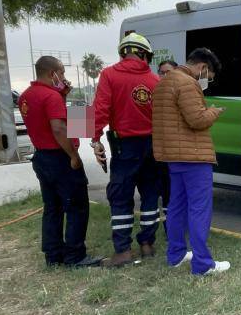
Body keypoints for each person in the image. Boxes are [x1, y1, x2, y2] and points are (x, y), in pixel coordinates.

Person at [18, 56, 104, 268]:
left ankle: (53, 254)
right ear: (52, 73)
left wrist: (64, 95)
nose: (64, 77)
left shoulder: (26, 96)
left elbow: (74, 124)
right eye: (62, 73)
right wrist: (74, 156)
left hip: (41, 157)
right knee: (77, 205)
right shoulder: (50, 97)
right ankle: (75, 255)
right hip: (60, 157)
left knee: (53, 207)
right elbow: (58, 128)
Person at [152, 48, 230, 275]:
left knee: (176, 205)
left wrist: (92, 141)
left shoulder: (162, 81)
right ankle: (202, 264)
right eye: (208, 76)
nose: (206, 81)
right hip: (193, 155)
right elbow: (196, 119)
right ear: (203, 67)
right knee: (199, 208)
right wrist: (214, 111)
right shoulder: (187, 82)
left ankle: (175, 254)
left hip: (171, 155)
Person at [91, 33, 162, 267]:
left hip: (124, 146)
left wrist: (95, 139)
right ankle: (147, 244)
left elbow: (100, 110)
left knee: (121, 197)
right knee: (150, 194)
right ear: (144, 53)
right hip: (153, 145)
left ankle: (122, 251)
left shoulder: (109, 75)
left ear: (123, 52)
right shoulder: (155, 80)